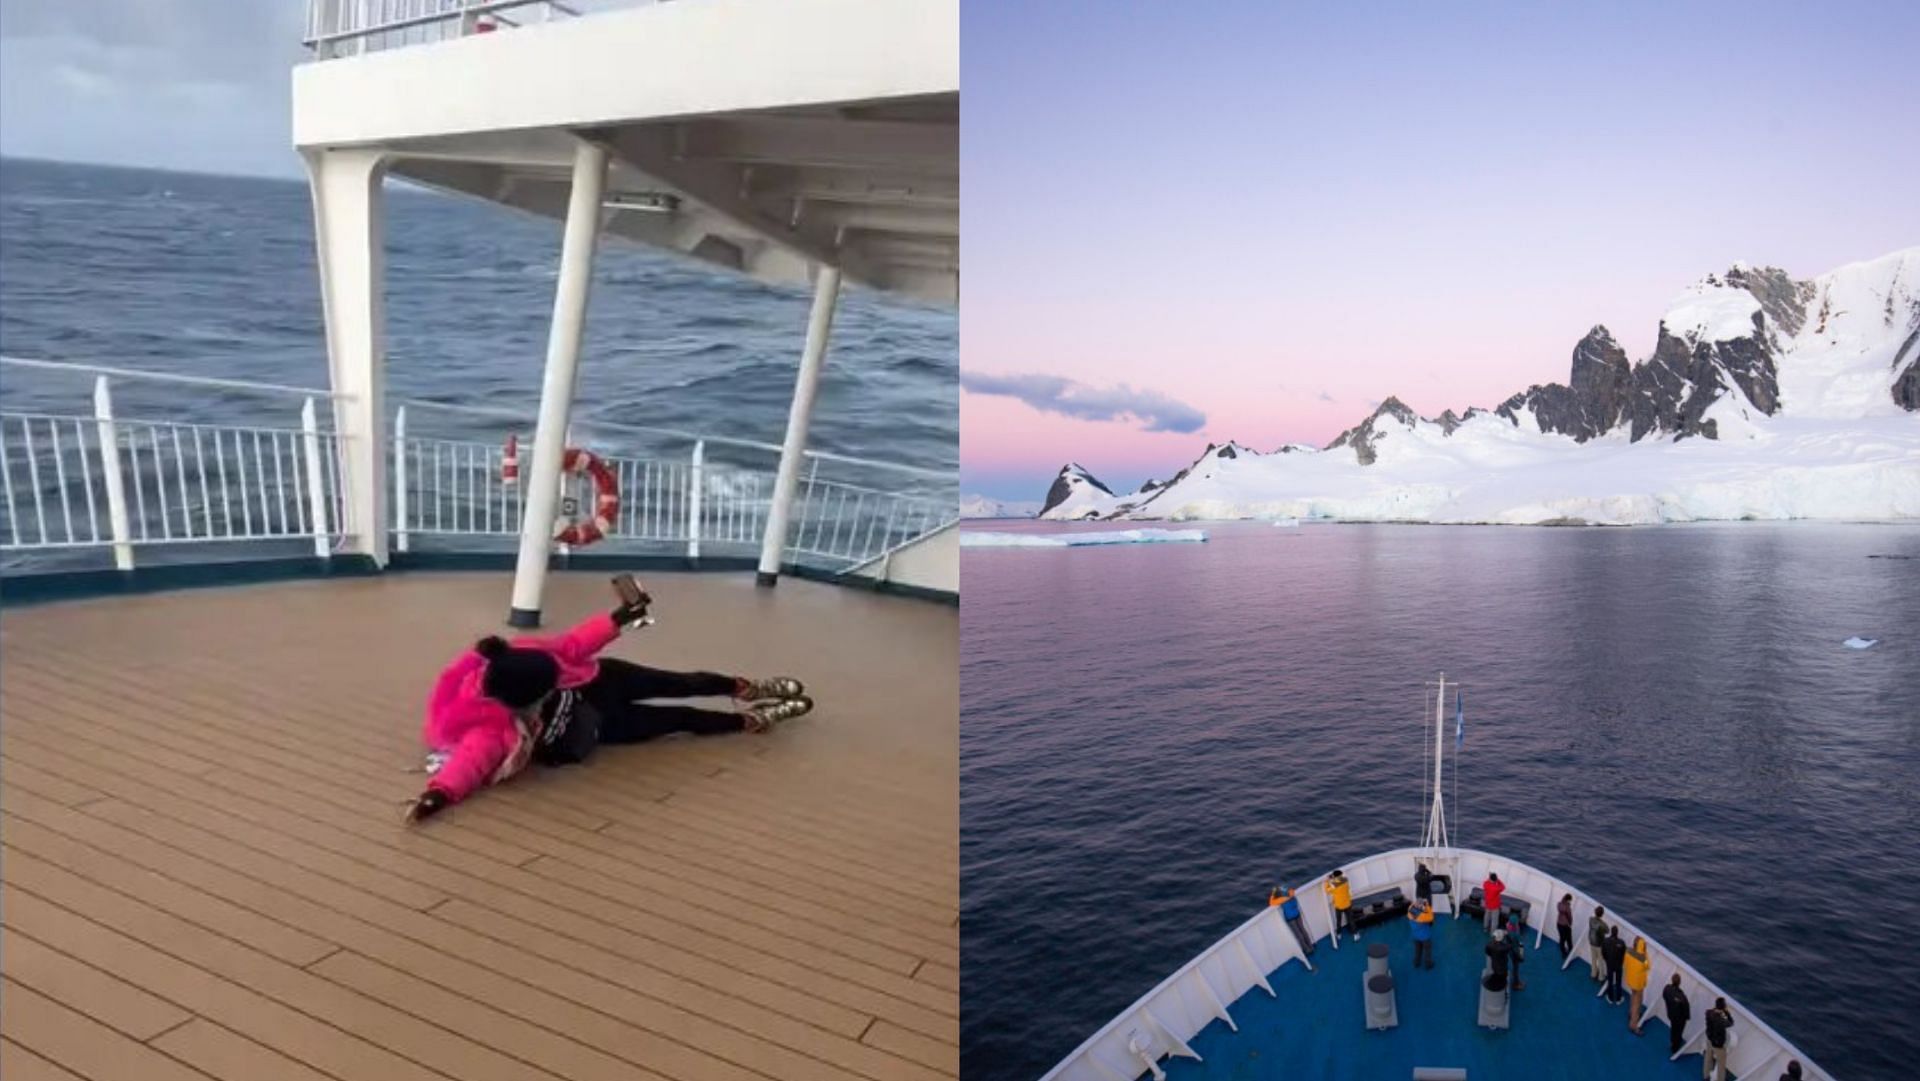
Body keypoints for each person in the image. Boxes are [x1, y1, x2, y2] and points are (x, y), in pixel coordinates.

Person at [405, 591, 812, 822]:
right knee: (678, 719)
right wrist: (438, 794)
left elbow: (571, 646)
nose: (554, 679)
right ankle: (749, 722)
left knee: (683, 681)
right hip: (600, 722)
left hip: (604, 678)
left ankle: (747, 688)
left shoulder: (520, 655)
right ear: (522, 703)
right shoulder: (488, 725)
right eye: (548, 687)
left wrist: (617, 619)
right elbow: (469, 762)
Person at [1270, 885, 1314, 956]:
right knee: (1303, 930)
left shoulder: (1282, 899)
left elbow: (1271, 903)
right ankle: (1310, 946)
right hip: (1297, 914)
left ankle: (1307, 949)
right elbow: (1290, 889)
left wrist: (1273, 893)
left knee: (1299, 935)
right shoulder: (1292, 893)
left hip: (1290, 918)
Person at [1702, 997, 1735, 1081]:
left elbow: (1713, 1011)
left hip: (1709, 1039)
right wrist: (1727, 1013)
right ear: (1723, 1007)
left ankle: (1706, 1077)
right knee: (1721, 1064)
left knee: (1708, 1058)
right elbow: (1731, 1023)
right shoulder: (1721, 1021)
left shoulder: (1708, 1013)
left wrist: (1719, 1009)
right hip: (1718, 1045)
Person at [1623, 935, 1650, 1033]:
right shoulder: (1644, 958)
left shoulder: (1629, 951)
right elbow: (1648, 967)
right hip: (1638, 983)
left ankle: (1631, 1013)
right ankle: (1633, 1025)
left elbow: (1625, 962)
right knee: (1637, 1003)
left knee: (1633, 996)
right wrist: (1645, 953)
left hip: (1630, 980)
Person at [1662, 973, 1692, 1057]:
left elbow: (1664, 996)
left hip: (1671, 1014)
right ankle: (1675, 1048)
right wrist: (1687, 1017)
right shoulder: (1682, 996)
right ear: (1679, 982)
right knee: (1678, 1031)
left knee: (1673, 1028)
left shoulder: (1667, 989)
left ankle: (1673, 1042)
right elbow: (1686, 1008)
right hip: (1679, 1018)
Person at [1325, 869, 1356, 941]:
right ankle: (1355, 934)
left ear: (1335, 877)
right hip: (1348, 904)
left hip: (1339, 906)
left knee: (1338, 921)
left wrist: (1327, 881)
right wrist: (1334, 879)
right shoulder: (1346, 881)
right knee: (1351, 920)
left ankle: (1339, 934)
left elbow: (1327, 890)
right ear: (1341, 875)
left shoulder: (1334, 886)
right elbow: (1340, 880)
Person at [1502, 909, 1526, 989]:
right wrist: (1520, 956)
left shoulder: (1508, 926)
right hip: (1514, 951)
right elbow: (1518, 946)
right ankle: (1516, 984)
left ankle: (1516, 982)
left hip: (1509, 949)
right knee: (1516, 968)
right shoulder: (1515, 934)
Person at [1409, 898, 1435, 969]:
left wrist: (1419, 903)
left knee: (1417, 950)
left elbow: (1412, 906)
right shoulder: (1424, 916)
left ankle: (1416, 963)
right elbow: (1431, 917)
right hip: (1425, 938)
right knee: (1427, 952)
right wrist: (1427, 905)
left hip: (1416, 936)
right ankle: (1428, 965)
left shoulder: (1410, 912)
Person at [1587, 905, 1609, 984]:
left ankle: (1593, 974)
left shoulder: (1590, 919)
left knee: (1593, 959)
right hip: (1599, 944)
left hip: (1591, 942)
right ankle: (1601, 977)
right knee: (1600, 961)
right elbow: (1607, 931)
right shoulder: (1602, 924)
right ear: (1602, 914)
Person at [1555, 893, 1575, 961]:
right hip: (1565, 925)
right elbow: (1569, 917)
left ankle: (1563, 953)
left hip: (1559, 924)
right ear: (1568, 900)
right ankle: (1570, 950)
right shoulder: (1567, 907)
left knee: (1562, 939)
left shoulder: (1559, 904)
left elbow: (1560, 911)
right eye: (1570, 900)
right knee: (1569, 938)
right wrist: (1570, 923)